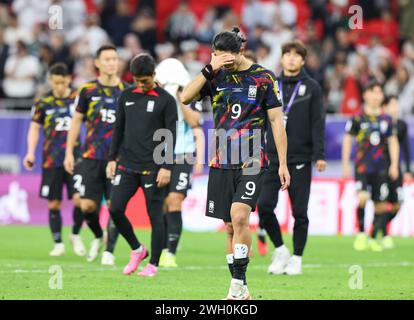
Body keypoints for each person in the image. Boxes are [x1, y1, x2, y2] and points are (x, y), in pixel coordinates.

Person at [181, 27, 290, 300]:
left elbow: (276, 121)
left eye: (226, 56)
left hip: (253, 158)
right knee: (230, 227)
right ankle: (240, 288)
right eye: (218, 56)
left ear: (240, 51)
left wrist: (283, 164)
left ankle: (236, 286)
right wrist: (209, 68)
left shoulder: (263, 77)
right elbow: (184, 97)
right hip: (221, 160)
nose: (223, 61)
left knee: (241, 216)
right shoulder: (214, 74)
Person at [257, 40, 326, 275]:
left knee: (299, 212)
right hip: (272, 157)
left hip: (300, 158)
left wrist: (319, 154)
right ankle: (280, 249)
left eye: (297, 55)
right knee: (264, 206)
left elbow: (318, 122)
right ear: (282, 58)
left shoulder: (313, 87)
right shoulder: (270, 85)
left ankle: (297, 257)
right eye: (287, 54)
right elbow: (261, 119)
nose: (292, 58)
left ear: (303, 60)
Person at [106, 53, 178, 277]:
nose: (141, 85)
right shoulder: (126, 95)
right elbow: (118, 129)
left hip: (153, 168)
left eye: (145, 80)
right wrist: (111, 158)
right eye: (137, 81)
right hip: (127, 165)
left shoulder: (166, 100)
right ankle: (137, 249)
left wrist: (166, 166)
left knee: (155, 215)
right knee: (115, 209)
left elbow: (169, 134)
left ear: (154, 76)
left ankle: (153, 264)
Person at [64, 45, 127, 265]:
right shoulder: (87, 90)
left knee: (114, 207)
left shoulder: (126, 91)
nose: (112, 63)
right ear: (97, 63)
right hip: (91, 156)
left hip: (117, 160)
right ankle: (99, 236)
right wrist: (69, 153)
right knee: (87, 206)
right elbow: (76, 122)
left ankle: (109, 252)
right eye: (107, 59)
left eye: (115, 59)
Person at [23, 63, 85, 257]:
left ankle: (75, 234)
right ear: (50, 81)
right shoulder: (43, 103)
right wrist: (30, 152)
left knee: (80, 200)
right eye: (55, 82)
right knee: (54, 204)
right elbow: (34, 128)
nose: (59, 86)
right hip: (51, 159)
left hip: (75, 158)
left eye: (62, 81)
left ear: (68, 79)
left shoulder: (77, 99)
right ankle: (58, 243)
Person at [155, 58, 205, 268]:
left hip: (183, 155)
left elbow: (195, 122)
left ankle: (170, 253)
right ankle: (164, 244)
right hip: (159, 154)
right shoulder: (155, 96)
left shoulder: (191, 94)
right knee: (163, 204)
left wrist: (179, 97)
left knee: (175, 200)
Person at [342, 82, 399, 252]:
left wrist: (394, 164)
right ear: (366, 95)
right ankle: (360, 234)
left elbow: (393, 141)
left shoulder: (386, 119)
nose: (376, 96)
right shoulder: (358, 117)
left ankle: (374, 237)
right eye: (373, 92)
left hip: (381, 168)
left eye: (379, 93)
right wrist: (345, 163)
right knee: (363, 198)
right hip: (362, 167)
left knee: (381, 204)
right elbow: (347, 139)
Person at [381, 95, 412, 248]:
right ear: (385, 107)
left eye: (396, 104)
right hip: (380, 169)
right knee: (382, 201)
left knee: (398, 202)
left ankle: (378, 226)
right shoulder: (380, 124)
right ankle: (384, 235)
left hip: (396, 169)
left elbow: (405, 148)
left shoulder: (401, 125)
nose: (395, 108)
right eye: (392, 104)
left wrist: (407, 170)